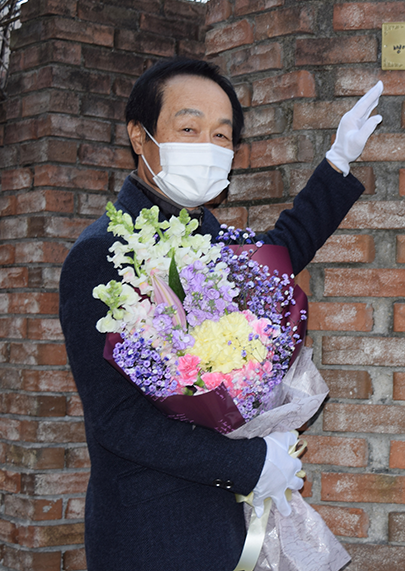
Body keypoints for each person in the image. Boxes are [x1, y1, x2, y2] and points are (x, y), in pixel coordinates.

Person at [58, 57, 383, 570]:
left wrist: (338, 163)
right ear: (140, 138)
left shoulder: (215, 241)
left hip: (235, 528)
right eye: (188, 128)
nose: (207, 148)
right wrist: (251, 464)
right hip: (155, 534)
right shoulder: (100, 253)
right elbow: (117, 421)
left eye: (221, 136)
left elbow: (282, 250)